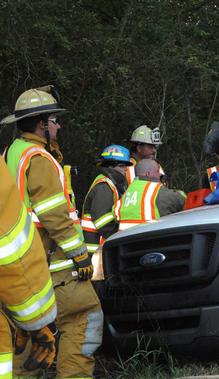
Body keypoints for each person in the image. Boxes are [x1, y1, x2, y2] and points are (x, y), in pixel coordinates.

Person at [1, 86, 103, 378]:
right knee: (86, 317)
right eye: (55, 121)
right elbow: (54, 215)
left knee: (31, 335)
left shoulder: (10, 154)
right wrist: (81, 255)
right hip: (50, 266)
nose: (58, 126)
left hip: (18, 271)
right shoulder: (39, 158)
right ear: (41, 124)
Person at [0, 158, 59, 378]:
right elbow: (10, 246)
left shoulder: (17, 151)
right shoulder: (37, 158)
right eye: (53, 121)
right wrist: (38, 320)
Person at [81, 145, 131, 273]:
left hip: (100, 251)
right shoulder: (104, 186)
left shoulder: (111, 184)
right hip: (97, 252)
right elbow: (103, 222)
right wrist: (120, 238)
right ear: (110, 167)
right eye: (121, 165)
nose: (126, 169)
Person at [114, 158, 185, 230]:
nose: (160, 174)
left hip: (125, 239)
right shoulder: (154, 190)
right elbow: (181, 200)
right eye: (157, 171)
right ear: (148, 174)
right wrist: (181, 193)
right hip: (149, 238)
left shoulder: (128, 191)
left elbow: (115, 214)